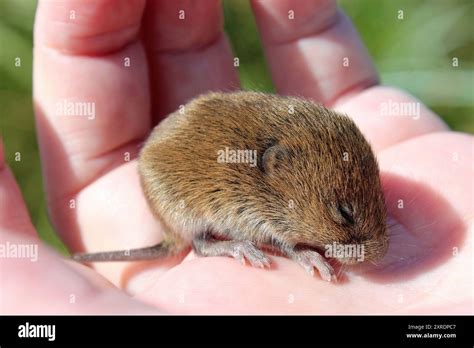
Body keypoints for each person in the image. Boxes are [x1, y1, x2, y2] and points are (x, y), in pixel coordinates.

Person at [1, 0, 472, 314]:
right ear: (278, 172)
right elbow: (263, 223)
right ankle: (206, 243)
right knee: (207, 217)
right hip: (171, 176)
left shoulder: (312, 159)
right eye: (345, 217)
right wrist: (294, 247)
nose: (371, 245)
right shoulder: (261, 187)